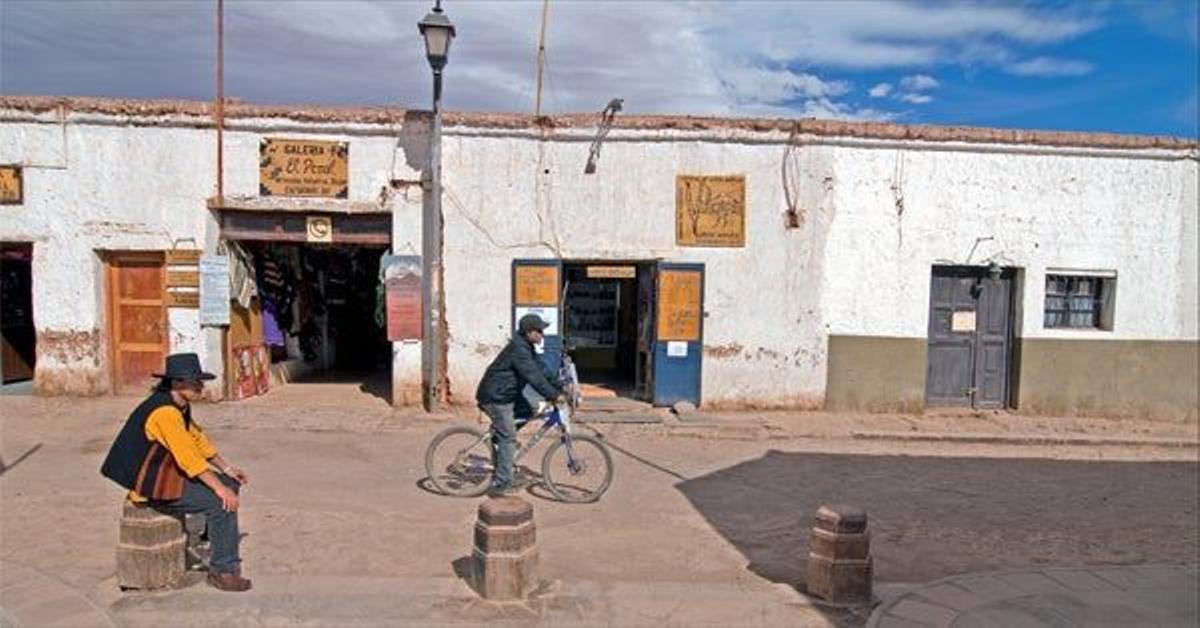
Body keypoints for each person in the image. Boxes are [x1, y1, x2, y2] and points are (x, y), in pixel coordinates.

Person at [100, 353, 252, 592]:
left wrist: (227, 470)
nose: (201, 387)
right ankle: (223, 570)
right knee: (221, 503)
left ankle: (212, 538)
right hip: (151, 483)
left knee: (230, 484)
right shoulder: (165, 413)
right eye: (196, 382)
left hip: (167, 473)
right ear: (178, 383)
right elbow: (188, 458)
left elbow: (197, 440)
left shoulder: (179, 406)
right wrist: (219, 489)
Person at [475, 313, 565, 496]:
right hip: (495, 397)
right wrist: (554, 395)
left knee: (529, 409)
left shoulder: (526, 347)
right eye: (539, 331)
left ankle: (499, 441)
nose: (542, 334)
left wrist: (560, 386)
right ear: (529, 332)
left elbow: (541, 370)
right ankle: (501, 483)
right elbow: (534, 378)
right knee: (508, 437)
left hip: (508, 394)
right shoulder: (518, 350)